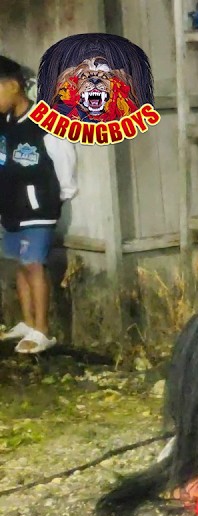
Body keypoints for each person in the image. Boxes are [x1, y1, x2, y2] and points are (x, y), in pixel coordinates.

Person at [0, 55, 77, 355]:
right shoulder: (4, 122)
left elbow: (64, 159)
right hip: (11, 209)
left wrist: (60, 195)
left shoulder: (45, 121)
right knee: (19, 266)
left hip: (38, 208)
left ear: (13, 85)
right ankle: (27, 322)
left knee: (34, 265)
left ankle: (42, 330)